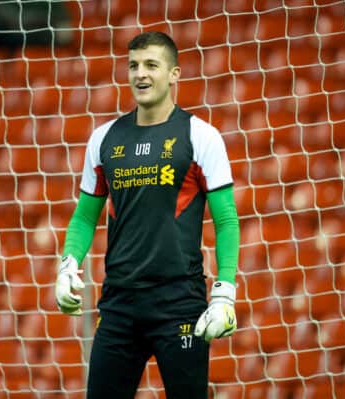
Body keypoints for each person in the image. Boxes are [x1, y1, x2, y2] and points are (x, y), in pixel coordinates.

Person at [55, 31, 240, 399]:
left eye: (152, 65)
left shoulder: (201, 136)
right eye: (133, 65)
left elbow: (226, 221)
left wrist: (225, 292)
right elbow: (84, 218)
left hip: (180, 303)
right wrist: (66, 264)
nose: (141, 74)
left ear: (174, 73)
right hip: (119, 304)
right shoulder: (104, 138)